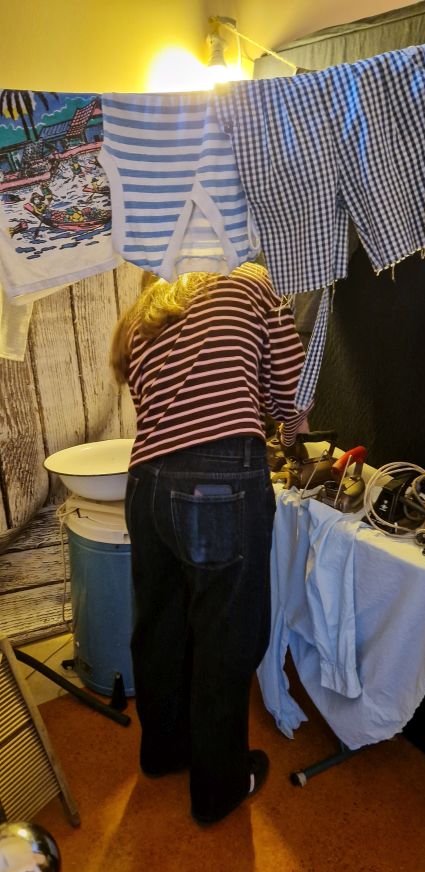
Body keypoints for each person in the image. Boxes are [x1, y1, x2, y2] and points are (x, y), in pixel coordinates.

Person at [110, 261, 310, 825]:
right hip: (218, 481)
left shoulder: (144, 312)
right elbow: (291, 389)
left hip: (146, 485)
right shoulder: (253, 280)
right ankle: (219, 788)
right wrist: (293, 438)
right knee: (226, 634)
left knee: (161, 628)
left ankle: (163, 752)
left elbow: (164, 406)